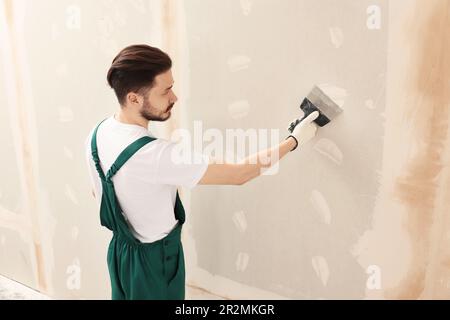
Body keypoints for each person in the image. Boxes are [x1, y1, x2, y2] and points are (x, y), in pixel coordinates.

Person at [85, 44, 319, 300]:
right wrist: (293, 141)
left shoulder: (99, 133)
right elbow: (239, 174)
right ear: (134, 98)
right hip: (156, 261)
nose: (174, 97)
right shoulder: (155, 155)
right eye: (166, 91)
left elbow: (97, 192)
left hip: (121, 253)